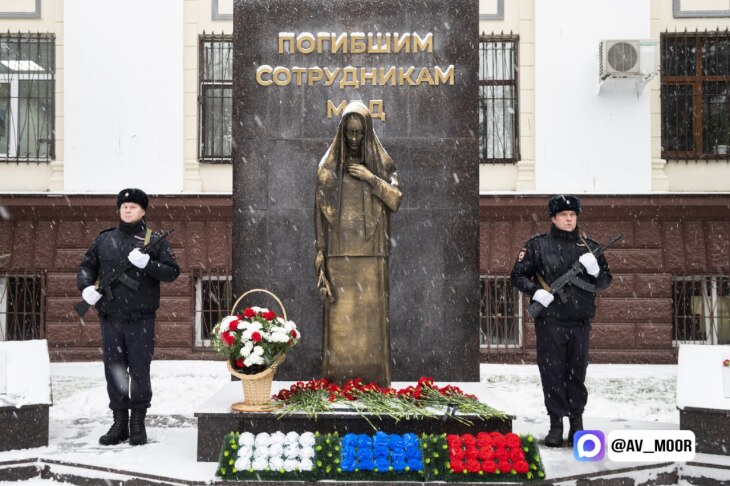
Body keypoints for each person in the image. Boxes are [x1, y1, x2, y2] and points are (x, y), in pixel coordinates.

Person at [77, 188, 179, 446]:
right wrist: (86, 288)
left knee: (140, 369)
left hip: (141, 318)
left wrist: (148, 264)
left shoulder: (154, 240)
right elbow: (87, 266)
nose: (127, 210)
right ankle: (119, 422)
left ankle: (137, 422)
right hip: (111, 317)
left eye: (133, 206)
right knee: (115, 369)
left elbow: (172, 272)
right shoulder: (104, 239)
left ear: (143, 211)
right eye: (123, 206)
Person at [510, 195, 612, 447]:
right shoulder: (538, 246)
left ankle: (577, 423)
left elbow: (604, 282)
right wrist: (536, 292)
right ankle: (556, 424)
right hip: (550, 324)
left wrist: (595, 270)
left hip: (580, 324)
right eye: (564, 215)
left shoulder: (589, 247)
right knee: (552, 373)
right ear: (553, 218)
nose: (569, 219)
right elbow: (517, 276)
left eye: (572, 215)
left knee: (577, 374)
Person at [315, 101, 402, 388]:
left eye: (359, 133)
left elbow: (395, 199)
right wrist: (320, 250)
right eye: (349, 132)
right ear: (342, 132)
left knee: (372, 323)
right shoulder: (328, 168)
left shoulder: (382, 164)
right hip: (338, 252)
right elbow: (319, 211)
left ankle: (374, 380)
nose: (354, 139)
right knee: (340, 322)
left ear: (367, 132)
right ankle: (337, 381)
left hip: (373, 252)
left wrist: (370, 177)